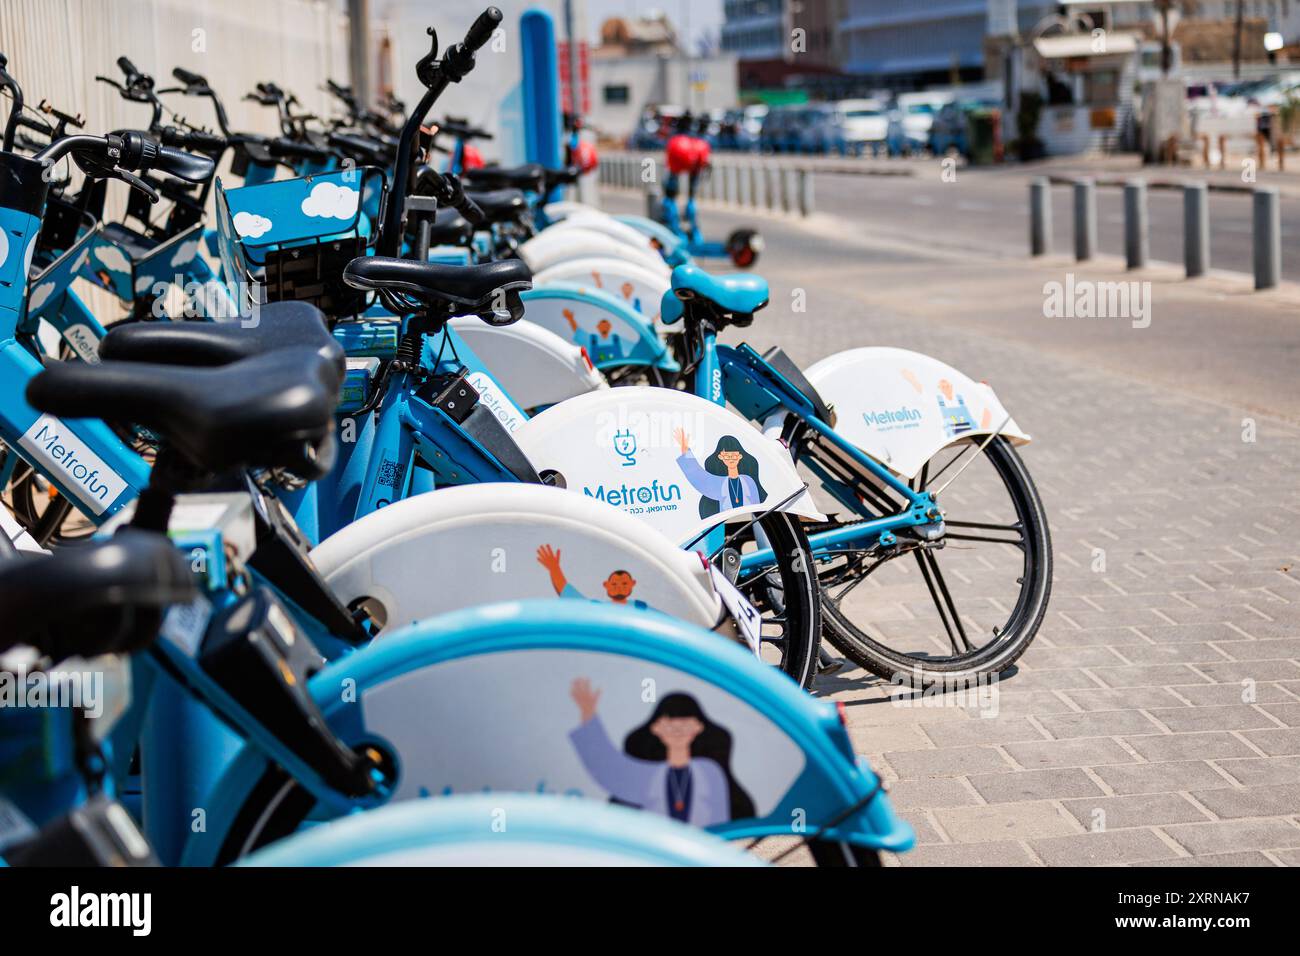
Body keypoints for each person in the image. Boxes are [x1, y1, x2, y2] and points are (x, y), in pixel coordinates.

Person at [567, 679, 755, 825]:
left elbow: (723, 817)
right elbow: (610, 769)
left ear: (698, 727)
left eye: (684, 725)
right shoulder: (649, 773)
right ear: (656, 729)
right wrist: (588, 716)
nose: (678, 731)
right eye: (670, 726)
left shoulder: (710, 773)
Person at [672, 428, 767, 518]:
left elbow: (759, 509)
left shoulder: (748, 481)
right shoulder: (720, 484)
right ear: (721, 457)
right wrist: (686, 451)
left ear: (740, 456)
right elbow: (699, 477)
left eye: (734, 456)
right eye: (727, 456)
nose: (731, 459)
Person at [536, 544, 647, 609]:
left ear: (632, 584)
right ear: (606, 585)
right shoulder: (598, 608)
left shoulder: (639, 607)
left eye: (624, 583)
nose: (619, 587)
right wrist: (555, 569)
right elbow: (567, 592)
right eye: (614, 584)